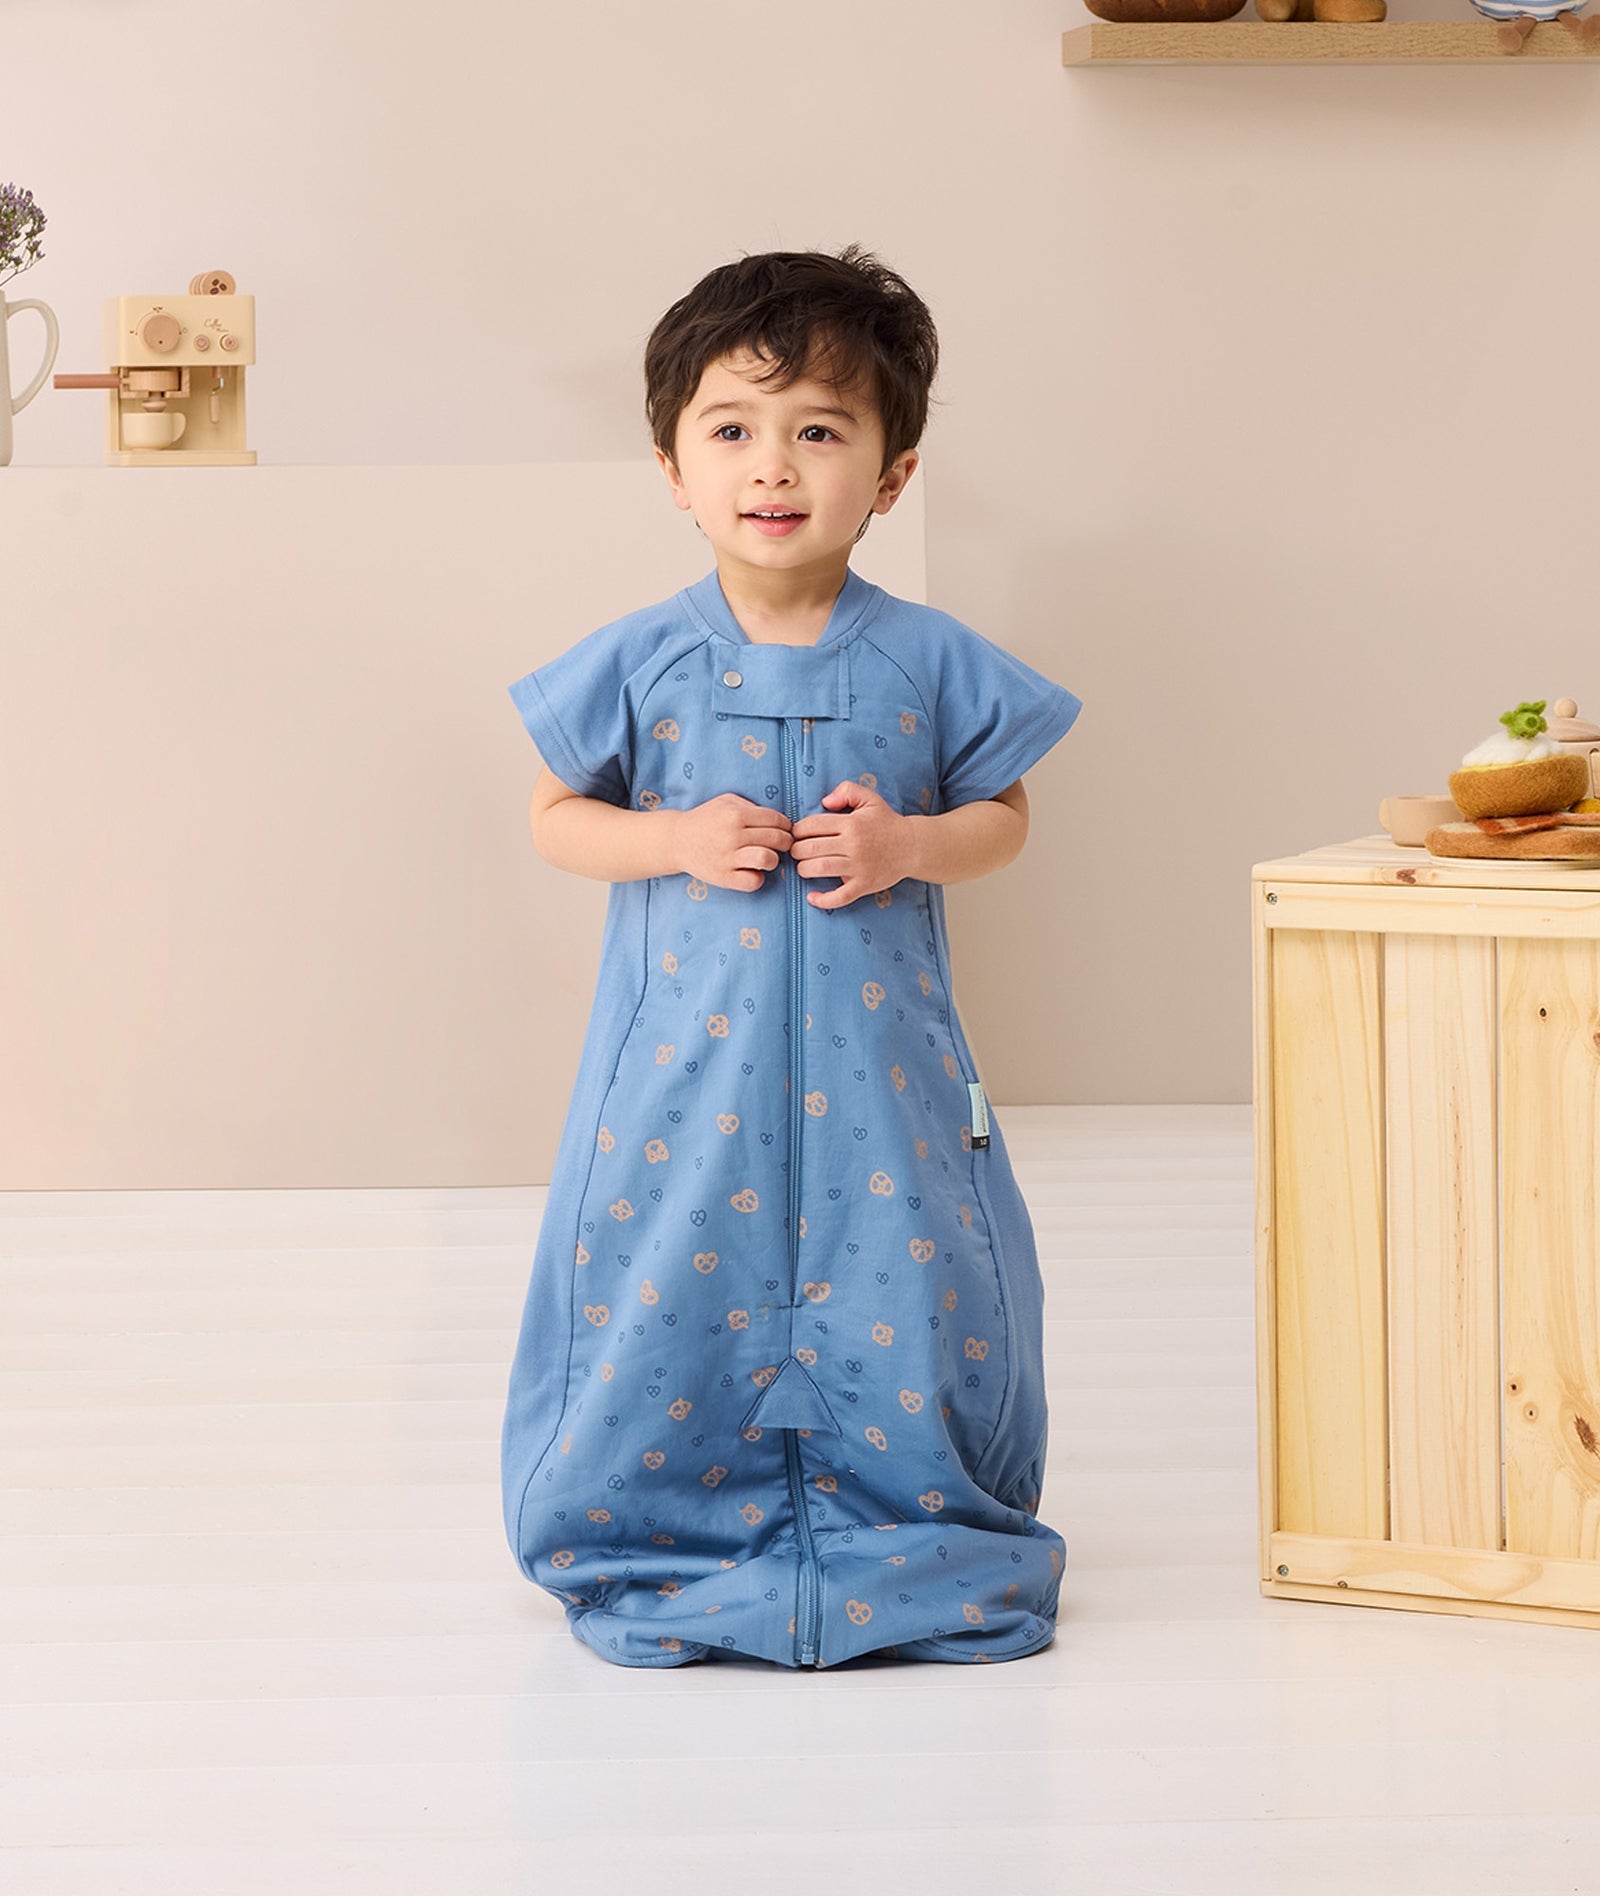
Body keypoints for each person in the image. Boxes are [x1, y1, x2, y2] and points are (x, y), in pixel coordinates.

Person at [501, 244, 1084, 1670]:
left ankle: (904, 1499)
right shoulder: (638, 658)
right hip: (681, 1075)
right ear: (672, 467)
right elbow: (557, 820)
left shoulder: (930, 659)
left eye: (821, 431)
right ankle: (664, 1504)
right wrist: (675, 838)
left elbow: (1006, 822)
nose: (773, 466)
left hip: (886, 1074)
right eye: (732, 430)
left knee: (905, 1275)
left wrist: (907, 846)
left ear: (892, 475)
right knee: (670, 1275)